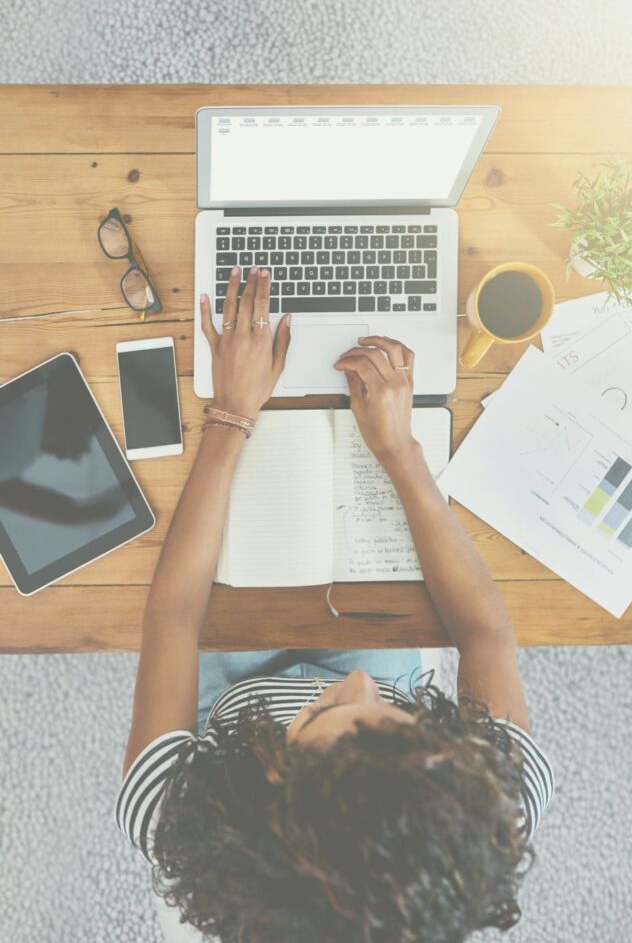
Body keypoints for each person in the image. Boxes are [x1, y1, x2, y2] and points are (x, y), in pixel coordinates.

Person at [116, 266, 554, 943]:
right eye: (392, 720)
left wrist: (230, 415)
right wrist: (401, 452)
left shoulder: (176, 821)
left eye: (336, 711)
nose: (357, 683)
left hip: (226, 708)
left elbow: (171, 619)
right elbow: (484, 633)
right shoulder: (480, 804)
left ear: (272, 779)